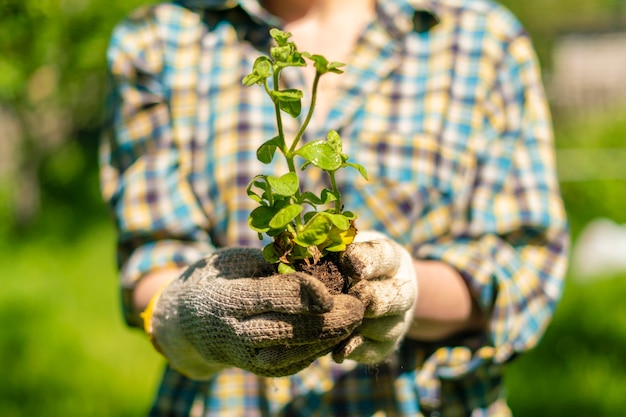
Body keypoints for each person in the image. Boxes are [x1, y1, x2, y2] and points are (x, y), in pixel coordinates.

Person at [100, 0, 569, 415]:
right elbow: (152, 258)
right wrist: (190, 313)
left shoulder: (480, 38)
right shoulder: (157, 40)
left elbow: (521, 262)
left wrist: (401, 288)